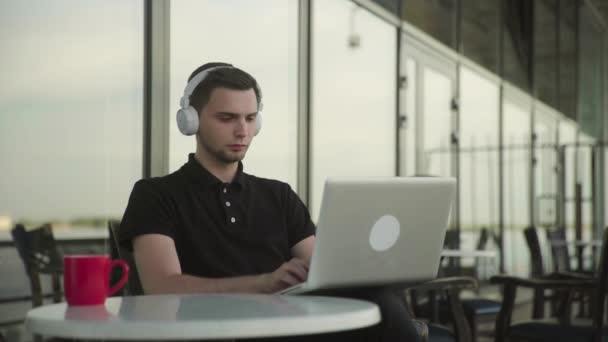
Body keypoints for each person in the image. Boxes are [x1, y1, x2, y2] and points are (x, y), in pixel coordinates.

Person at [119, 62, 423, 342]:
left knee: (380, 300)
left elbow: (323, 272)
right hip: (214, 333)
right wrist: (263, 283)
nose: (243, 131)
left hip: (294, 329)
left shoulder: (279, 195)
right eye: (227, 118)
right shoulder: (155, 194)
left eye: (250, 119)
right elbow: (162, 288)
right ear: (192, 121)